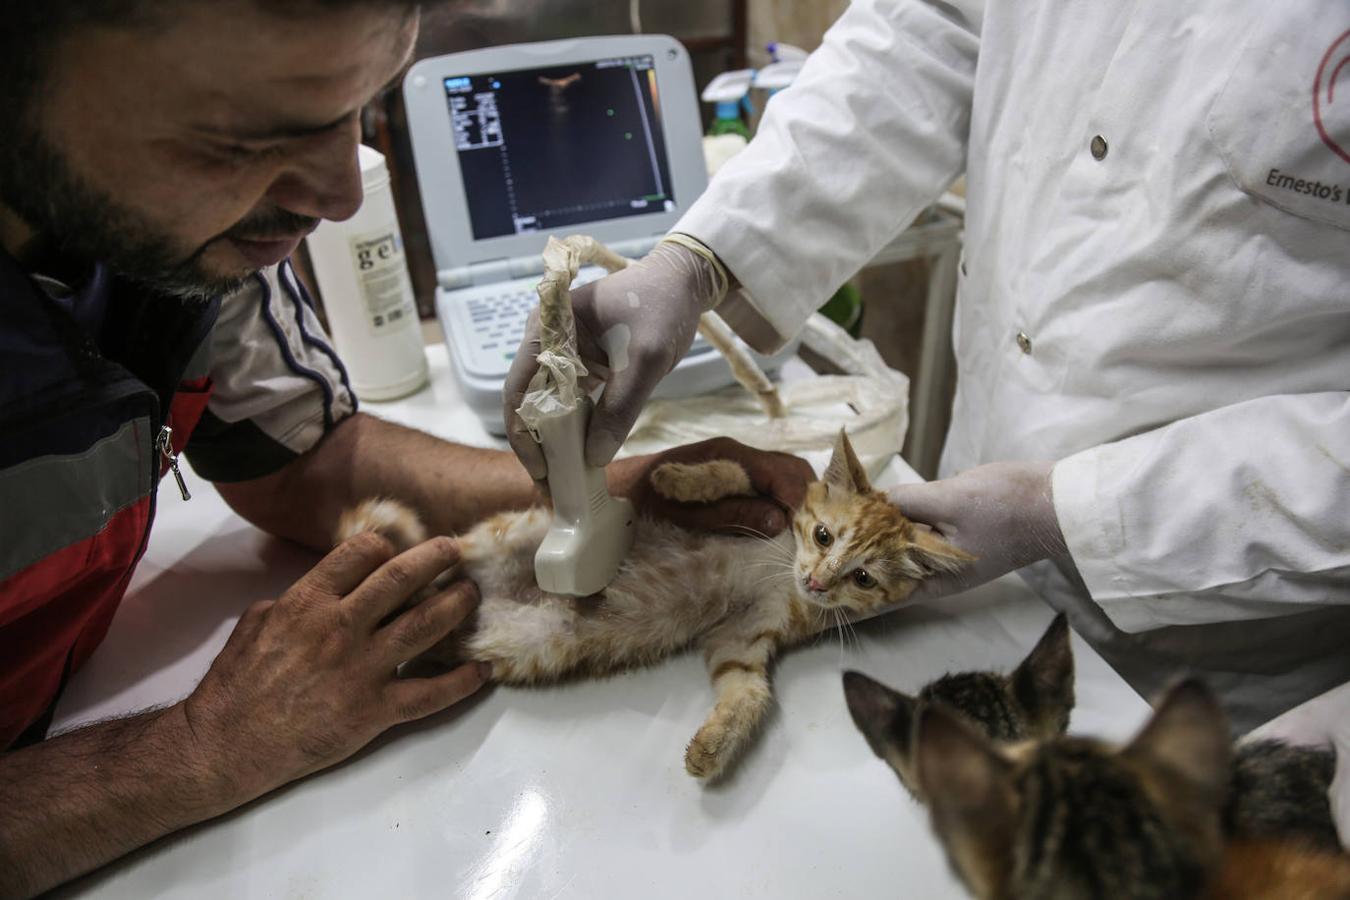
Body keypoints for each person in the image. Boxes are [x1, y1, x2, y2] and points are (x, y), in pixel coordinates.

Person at [0, 1, 811, 895]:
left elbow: (304, 458)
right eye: (245, 136)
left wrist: (601, 489)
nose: (341, 197)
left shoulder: (175, 242)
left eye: (357, 109)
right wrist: (195, 749)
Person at [506, 0, 1350, 737]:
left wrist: (1069, 514)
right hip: (967, 562)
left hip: (1225, 616)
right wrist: (703, 257)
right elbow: (927, 28)